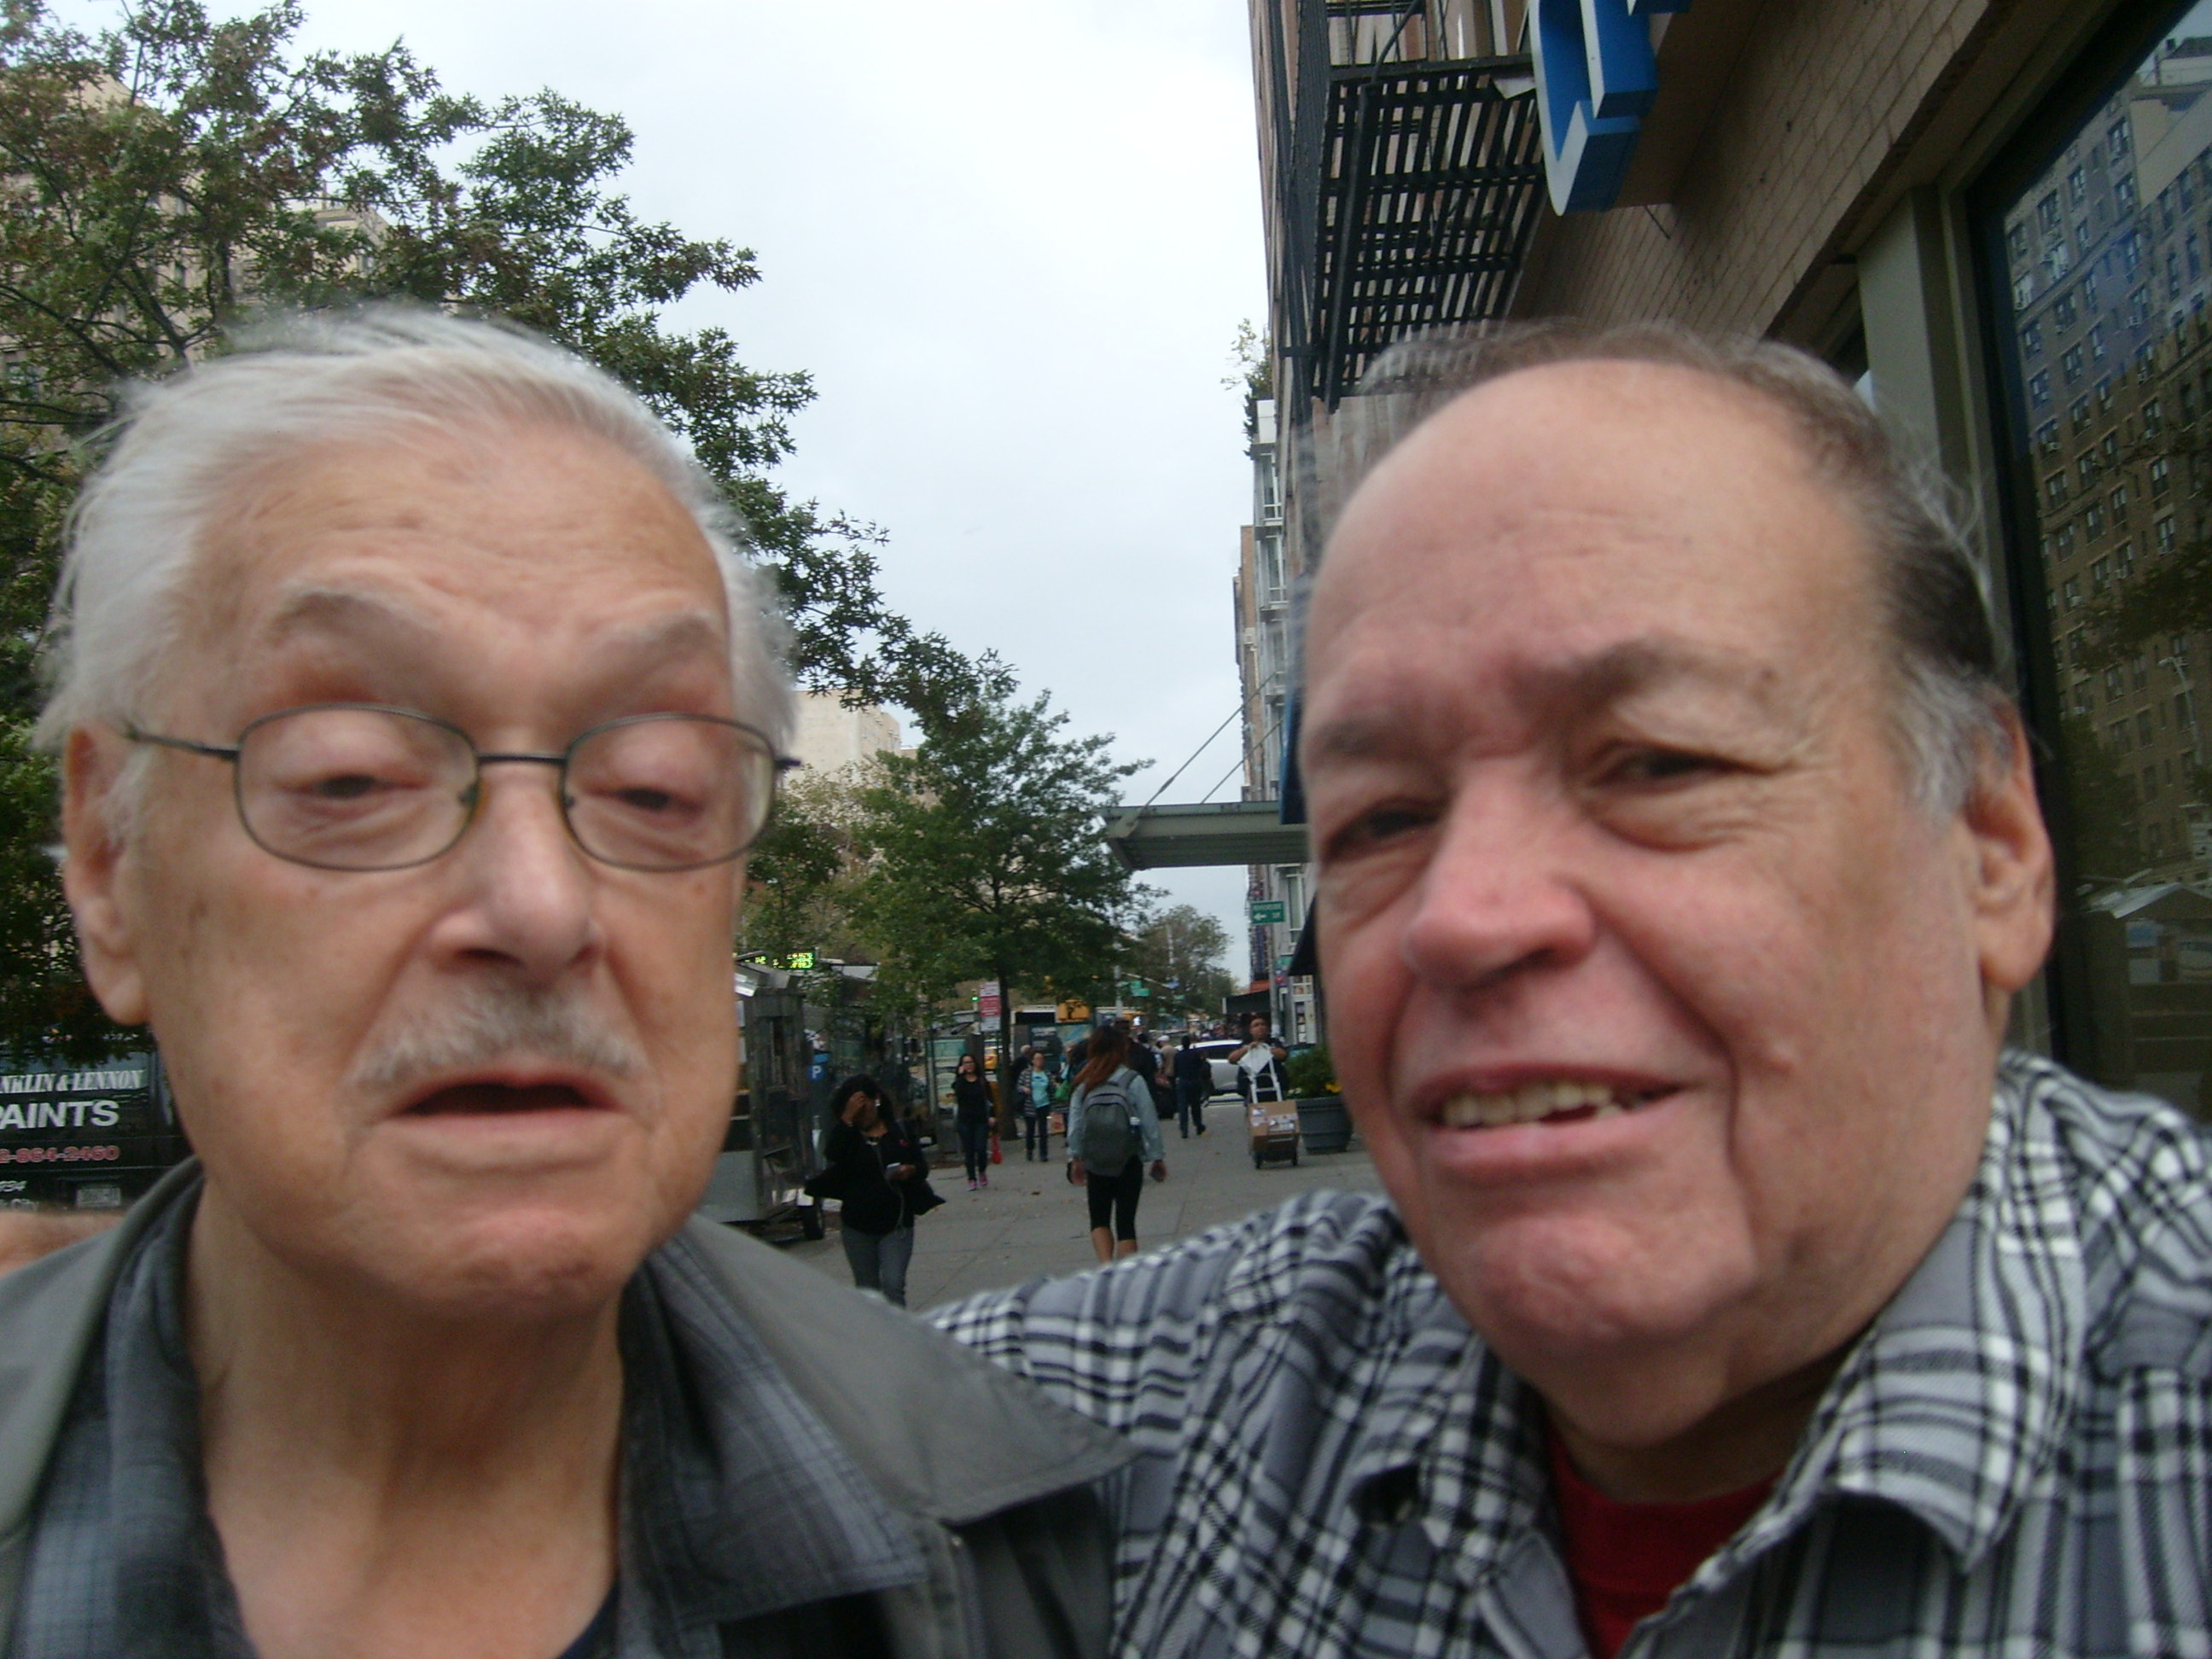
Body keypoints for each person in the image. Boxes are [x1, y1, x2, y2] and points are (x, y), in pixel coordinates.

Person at [938, 322, 2212, 1657]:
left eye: (1659, 763)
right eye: (1382, 820)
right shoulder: (1130, 1435)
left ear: (1992, 846)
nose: (1463, 918)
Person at [0, 307, 1127, 1658]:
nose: (542, 907)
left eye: (654, 788)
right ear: (109, 861)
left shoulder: (1007, 1536)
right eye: (351, 776)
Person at [809, 1075, 940, 1306]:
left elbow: (921, 1167)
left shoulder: (899, 1131)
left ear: (876, 1100)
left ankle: (896, 1327)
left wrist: (910, 1170)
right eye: (855, 1110)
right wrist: (847, 1118)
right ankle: (875, 1328)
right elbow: (833, 1155)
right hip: (858, 1225)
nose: (862, 1115)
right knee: (867, 1290)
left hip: (896, 1223)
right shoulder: (847, 1135)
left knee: (893, 1284)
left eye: (865, 1107)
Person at [1064, 1022, 1166, 1263]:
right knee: (1126, 1223)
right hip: (1128, 1158)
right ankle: (1123, 1275)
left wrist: (1075, 1157)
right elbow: (1149, 1120)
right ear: (1121, 1049)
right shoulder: (1132, 1080)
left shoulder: (1084, 1083)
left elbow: (1075, 1125)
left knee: (1099, 1218)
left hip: (1095, 1161)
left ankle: (1105, 1267)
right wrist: (1156, 1156)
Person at [951, 1050, 994, 1189]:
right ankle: (971, 1178)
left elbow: (990, 1100)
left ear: (975, 1064)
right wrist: (959, 1075)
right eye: (965, 1063)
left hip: (981, 1120)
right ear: (962, 1065)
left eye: (970, 1062)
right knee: (969, 1151)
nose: (968, 1065)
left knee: (981, 1148)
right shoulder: (960, 1082)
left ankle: (982, 1171)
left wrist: (992, 1116)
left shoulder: (981, 1081)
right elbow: (958, 1094)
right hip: (965, 1121)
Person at [1229, 1013, 1288, 1104]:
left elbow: (1283, 1055)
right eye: (1256, 1025)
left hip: (1273, 1083)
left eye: (1263, 1025)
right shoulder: (1245, 1044)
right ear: (1251, 1030)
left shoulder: (1273, 1042)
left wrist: (1267, 1049)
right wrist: (1248, 1048)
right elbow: (1232, 1059)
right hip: (1251, 1085)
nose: (1260, 1027)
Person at [1172, 1035, 1213, 1138]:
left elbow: (1175, 1070)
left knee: (1183, 1107)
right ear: (1189, 1043)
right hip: (1194, 1081)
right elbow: (1200, 1066)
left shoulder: (1178, 1056)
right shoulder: (1195, 1054)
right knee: (1196, 1105)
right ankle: (1198, 1125)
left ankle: (1184, 1130)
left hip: (1183, 1081)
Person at [1023, 1050, 1057, 1161]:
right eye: (1037, 1059)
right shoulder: (1027, 1073)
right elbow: (1019, 1086)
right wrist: (1024, 1089)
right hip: (1030, 1105)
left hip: (1044, 1104)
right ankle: (1029, 1149)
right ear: (1032, 1061)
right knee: (1030, 1130)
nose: (1039, 1061)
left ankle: (1043, 1154)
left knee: (1043, 1130)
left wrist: (1054, 1086)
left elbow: (1051, 1089)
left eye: (1041, 1059)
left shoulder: (1046, 1073)